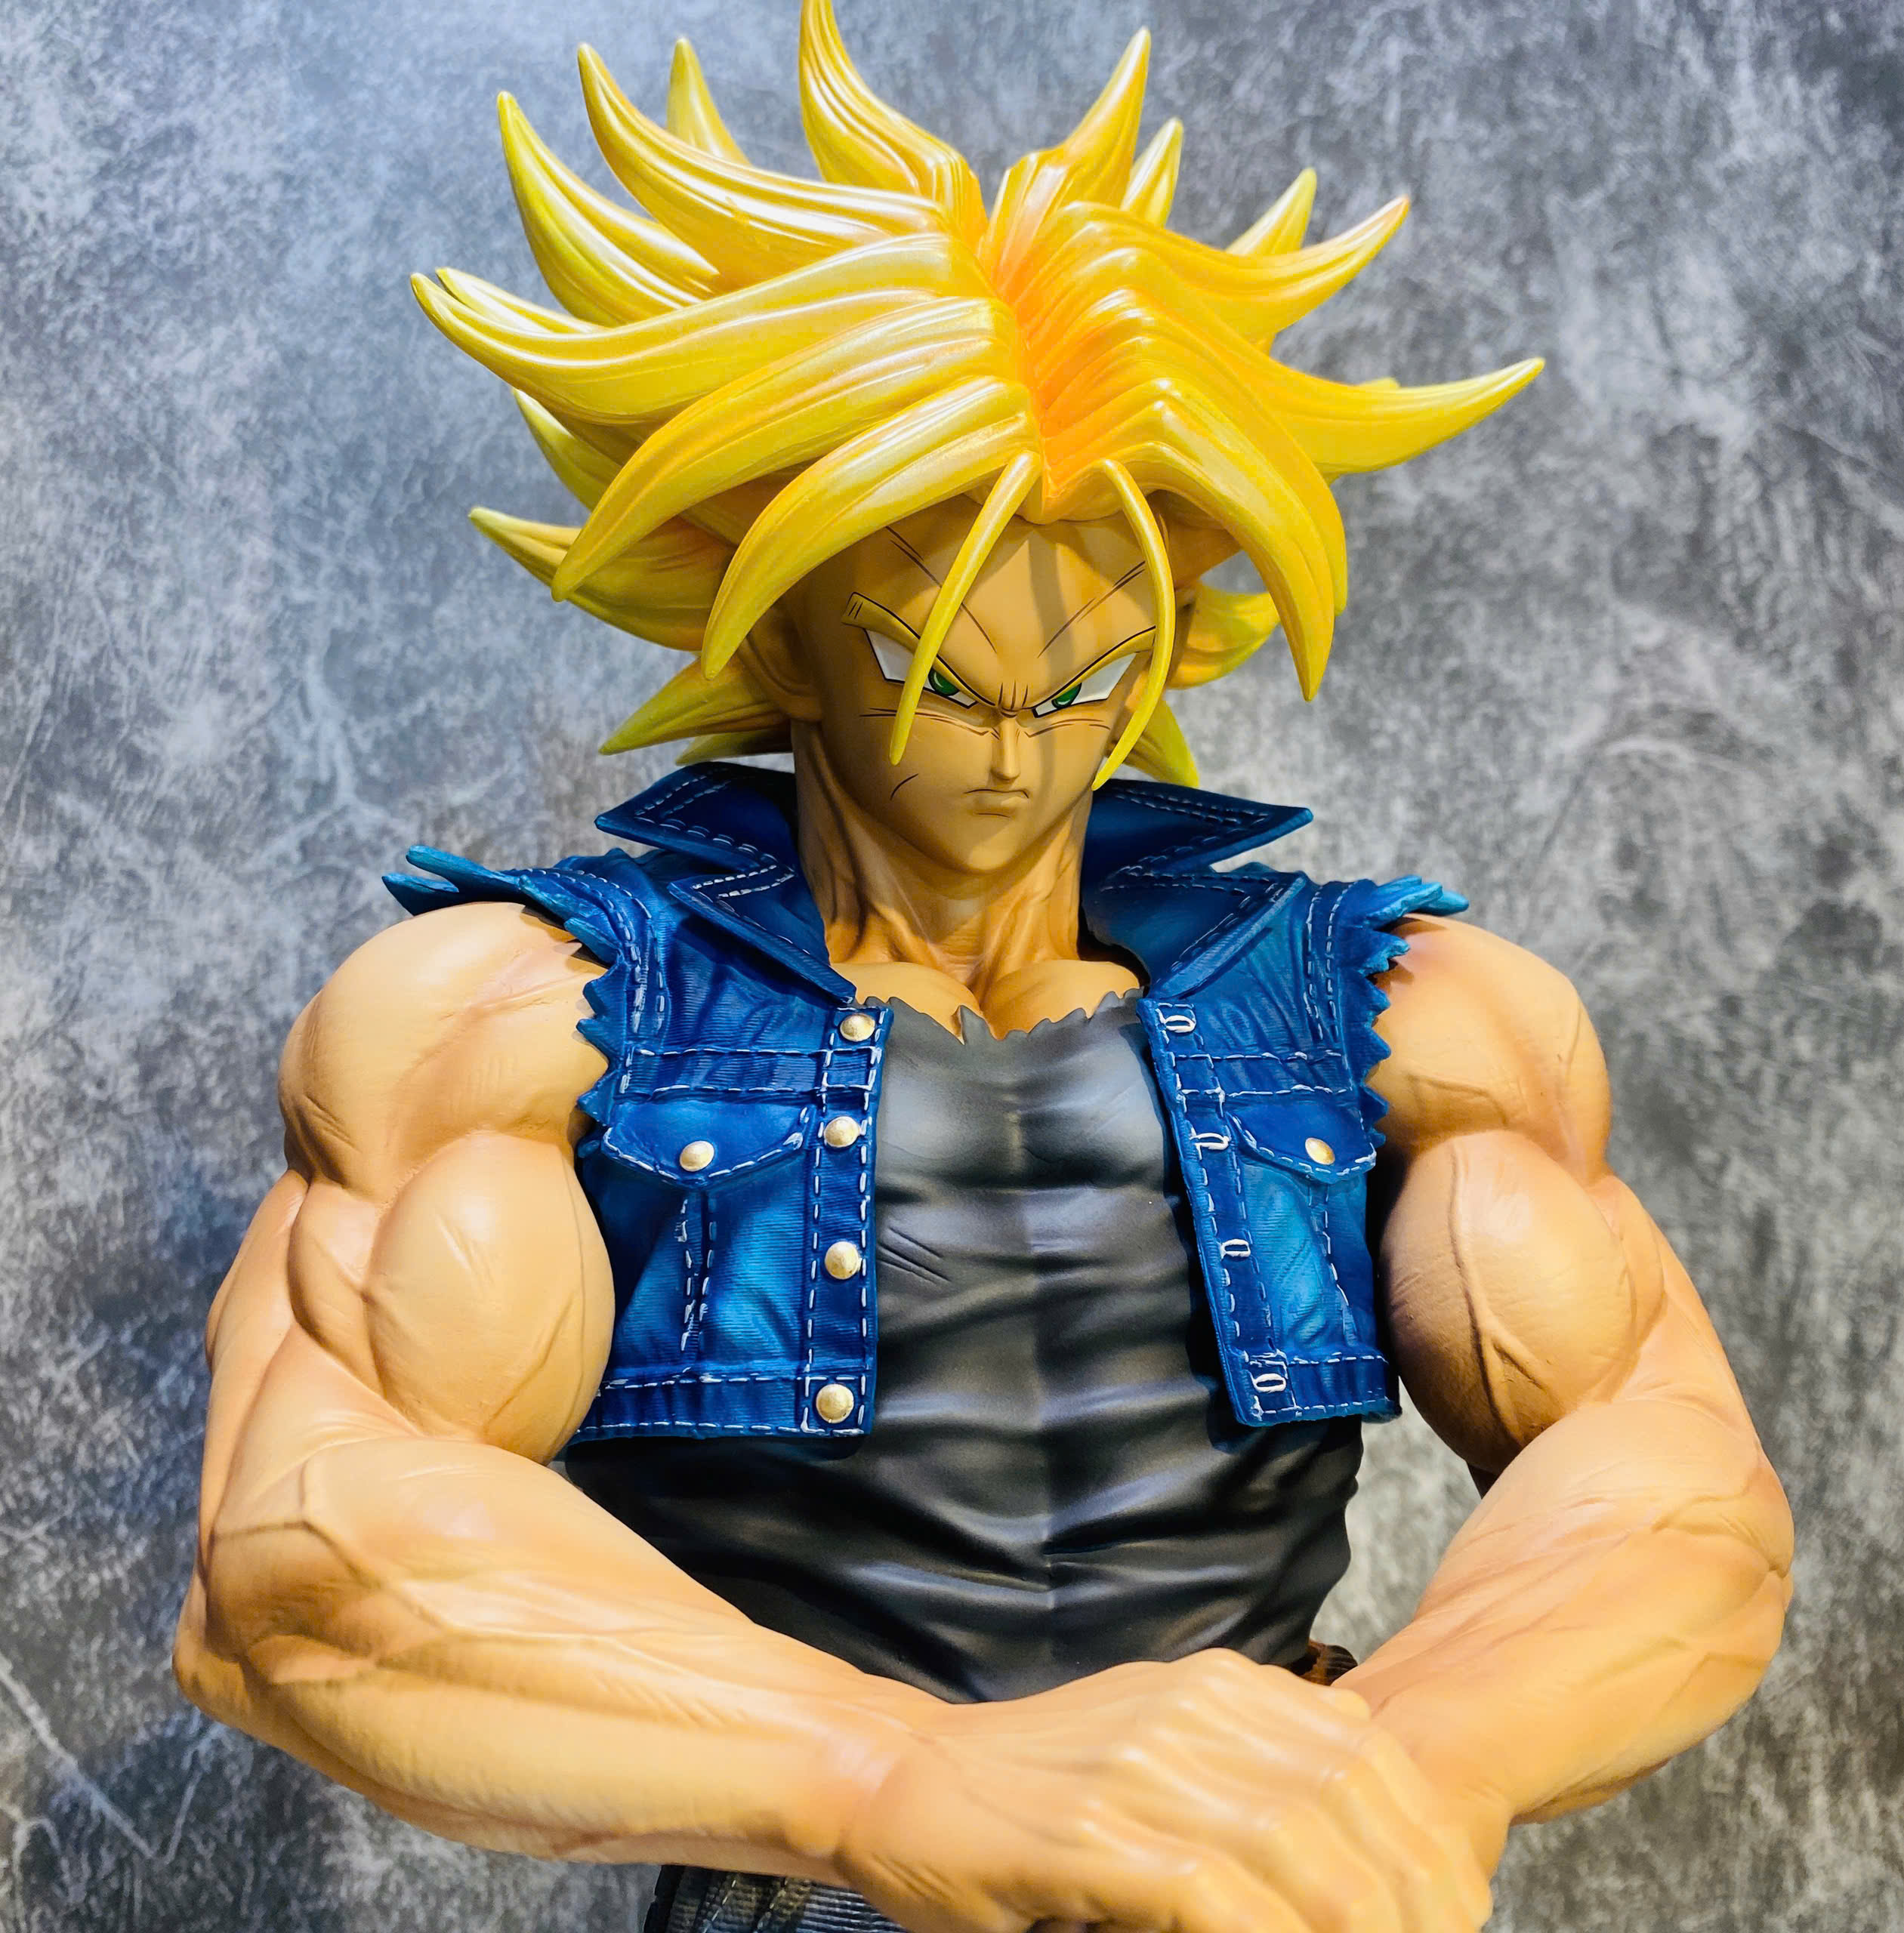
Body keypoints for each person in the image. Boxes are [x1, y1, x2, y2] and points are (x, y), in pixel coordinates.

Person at [174, 8, 1792, 1931]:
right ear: (778, 626)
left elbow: (1678, 1488)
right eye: (929, 670)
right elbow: (298, 1562)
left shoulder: (1409, 1014)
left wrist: (1397, 1764)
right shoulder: (513, 1022)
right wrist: (885, 1772)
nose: (1016, 750)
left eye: (1086, 677)